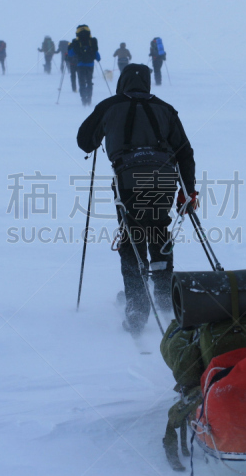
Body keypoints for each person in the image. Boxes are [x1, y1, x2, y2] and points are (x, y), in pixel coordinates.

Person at [76, 64, 197, 335]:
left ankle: (137, 305)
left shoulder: (110, 104)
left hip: (128, 178)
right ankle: (165, 295)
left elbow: (85, 141)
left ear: (122, 82)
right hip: (165, 178)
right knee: (157, 228)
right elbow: (185, 152)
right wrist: (188, 192)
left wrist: (104, 131)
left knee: (132, 234)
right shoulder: (166, 108)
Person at [67, 24, 100, 106]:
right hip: (90, 65)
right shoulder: (92, 42)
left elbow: (70, 54)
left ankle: (83, 100)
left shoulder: (76, 42)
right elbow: (98, 57)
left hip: (80, 65)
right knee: (89, 81)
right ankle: (89, 98)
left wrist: (70, 48)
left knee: (82, 82)